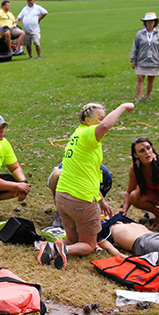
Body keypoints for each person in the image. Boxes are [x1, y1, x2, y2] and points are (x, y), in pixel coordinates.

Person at [40, 101, 134, 269]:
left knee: (72, 238)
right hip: (80, 199)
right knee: (89, 245)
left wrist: (101, 200)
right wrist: (123, 106)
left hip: (63, 197)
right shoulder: (89, 134)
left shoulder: (77, 134)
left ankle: (52, 247)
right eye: (99, 118)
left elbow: (86, 175)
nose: (102, 122)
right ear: (86, 120)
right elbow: (105, 126)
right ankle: (63, 250)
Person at [130, 12, 159, 102]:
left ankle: (147, 96)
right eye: (148, 21)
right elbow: (135, 47)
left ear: (155, 22)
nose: (150, 23)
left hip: (154, 60)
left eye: (152, 21)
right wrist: (133, 59)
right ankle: (139, 97)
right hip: (141, 59)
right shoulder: (140, 34)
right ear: (145, 22)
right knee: (140, 78)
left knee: (151, 79)